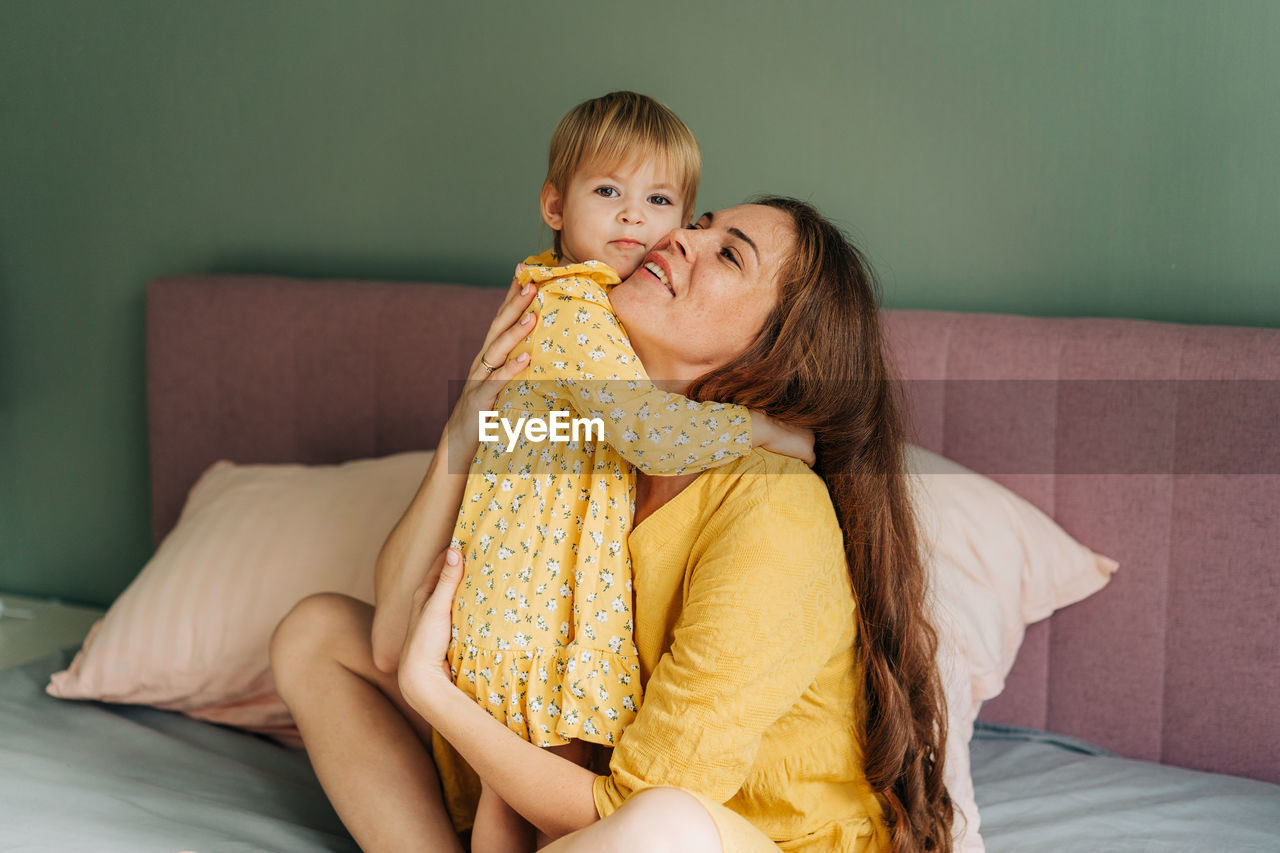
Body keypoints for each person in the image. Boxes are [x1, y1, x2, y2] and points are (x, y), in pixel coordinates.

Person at [271, 198, 955, 852]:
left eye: (728, 255)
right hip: (585, 811)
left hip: (717, 837)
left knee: (663, 826)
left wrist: (436, 697)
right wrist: (465, 430)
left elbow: (636, 803)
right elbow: (393, 637)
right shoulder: (586, 442)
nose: (679, 237)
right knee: (317, 631)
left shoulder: (775, 509)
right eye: (697, 222)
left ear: (774, 354)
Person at [446, 92, 812, 853]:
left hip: (532, 597)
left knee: (521, 787)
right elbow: (653, 434)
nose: (637, 225)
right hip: (528, 604)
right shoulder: (576, 309)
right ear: (554, 203)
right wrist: (762, 426)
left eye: (661, 202)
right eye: (607, 192)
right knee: (529, 778)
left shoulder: (581, 310)